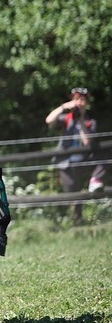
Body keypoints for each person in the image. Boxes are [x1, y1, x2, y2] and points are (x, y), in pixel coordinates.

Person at [45, 87, 106, 223]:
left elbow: (87, 142)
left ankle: (95, 180)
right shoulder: (66, 118)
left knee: (105, 156)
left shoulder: (91, 122)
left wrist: (81, 122)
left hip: (83, 161)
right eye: (77, 100)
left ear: (87, 103)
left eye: (83, 100)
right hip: (65, 162)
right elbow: (49, 121)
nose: (79, 103)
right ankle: (75, 221)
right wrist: (64, 106)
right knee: (72, 191)